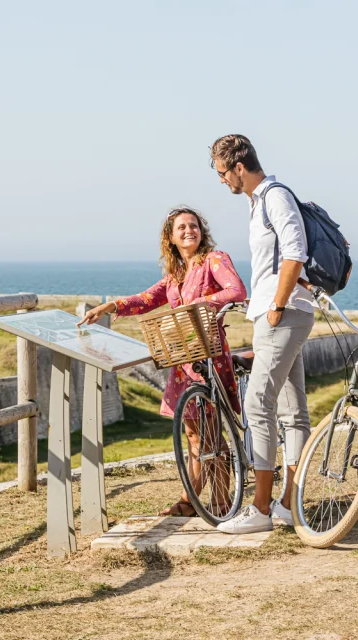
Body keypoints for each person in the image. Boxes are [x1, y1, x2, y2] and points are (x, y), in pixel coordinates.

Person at [78, 207, 247, 517]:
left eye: (193, 226)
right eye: (181, 227)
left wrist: (202, 302)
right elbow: (145, 300)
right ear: (171, 237)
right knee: (193, 434)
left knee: (211, 433)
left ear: (201, 231)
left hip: (208, 356)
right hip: (183, 361)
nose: (188, 231)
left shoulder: (214, 259)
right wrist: (108, 307)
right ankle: (190, 500)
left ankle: (222, 502)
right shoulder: (174, 276)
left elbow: (237, 290)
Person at [210, 134, 315, 533]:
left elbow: (295, 252)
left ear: (239, 167)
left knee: (257, 405)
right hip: (281, 315)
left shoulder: (273, 196)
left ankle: (261, 508)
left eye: (223, 173)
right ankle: (289, 503)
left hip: (282, 316)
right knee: (292, 411)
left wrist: (275, 307)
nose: (222, 181)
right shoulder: (258, 203)